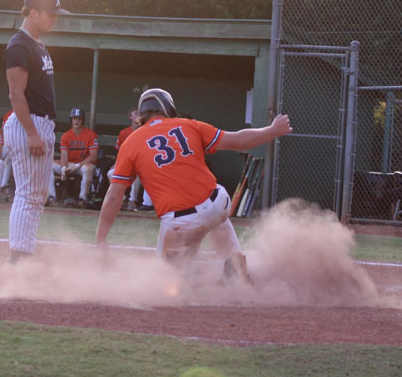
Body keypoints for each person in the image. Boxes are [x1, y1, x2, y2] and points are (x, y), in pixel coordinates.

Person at [96, 87, 292, 284]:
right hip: (218, 202)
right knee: (217, 217)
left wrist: (101, 238)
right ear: (169, 108)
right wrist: (272, 130)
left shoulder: (131, 142)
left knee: (167, 283)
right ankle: (234, 264)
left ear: (142, 114)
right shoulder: (189, 125)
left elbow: (114, 196)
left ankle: (215, 270)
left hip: (181, 222)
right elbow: (239, 141)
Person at [3, 0, 66, 262]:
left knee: (37, 195)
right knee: (28, 195)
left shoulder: (37, 44)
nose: (55, 19)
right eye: (50, 14)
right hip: (28, 124)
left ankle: (24, 253)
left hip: (40, 124)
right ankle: (18, 258)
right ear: (32, 12)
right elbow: (16, 93)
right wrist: (31, 133)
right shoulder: (19, 45)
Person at [56, 107, 99, 208]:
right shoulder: (66, 135)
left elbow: (93, 156)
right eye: (74, 118)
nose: (76, 121)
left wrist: (78, 165)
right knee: (48, 166)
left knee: (87, 169)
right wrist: (63, 168)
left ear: (83, 121)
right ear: (71, 120)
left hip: (84, 164)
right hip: (70, 164)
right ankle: (51, 197)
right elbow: (64, 155)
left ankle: (82, 198)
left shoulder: (91, 134)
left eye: (79, 119)